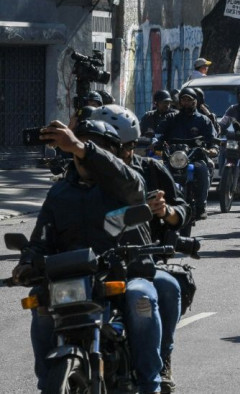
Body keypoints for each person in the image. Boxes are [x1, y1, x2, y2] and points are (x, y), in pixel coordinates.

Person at [12, 119, 166, 394]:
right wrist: (27, 262)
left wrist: (84, 147)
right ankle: (48, 381)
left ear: (111, 152)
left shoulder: (125, 184)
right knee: (40, 303)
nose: (82, 150)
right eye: (76, 144)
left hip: (125, 273)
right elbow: (41, 239)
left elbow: (134, 187)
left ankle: (148, 384)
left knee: (141, 298)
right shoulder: (60, 193)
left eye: (94, 145)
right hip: (74, 278)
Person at [90, 104, 191, 393]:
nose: (107, 153)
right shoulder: (85, 175)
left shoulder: (150, 170)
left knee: (164, 289)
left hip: (139, 262)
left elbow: (182, 210)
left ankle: (157, 369)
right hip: (91, 264)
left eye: (116, 147)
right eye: (100, 146)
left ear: (131, 145)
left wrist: (165, 213)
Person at [156, 87, 219, 220]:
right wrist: (155, 142)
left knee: (202, 170)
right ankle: (158, 204)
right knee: (158, 171)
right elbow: (159, 135)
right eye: (183, 100)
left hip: (195, 157)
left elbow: (212, 140)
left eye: (189, 100)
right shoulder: (171, 118)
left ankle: (201, 206)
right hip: (174, 158)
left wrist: (212, 148)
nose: (186, 103)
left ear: (195, 101)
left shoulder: (203, 120)